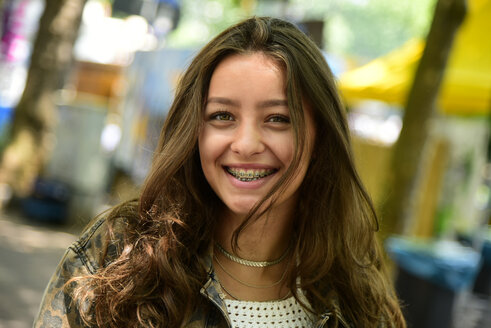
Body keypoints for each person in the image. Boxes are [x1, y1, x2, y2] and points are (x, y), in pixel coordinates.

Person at [34, 16, 406, 328]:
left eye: (278, 118)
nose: (245, 144)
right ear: (194, 130)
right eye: (222, 116)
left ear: (320, 134)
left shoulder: (359, 294)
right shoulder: (121, 253)